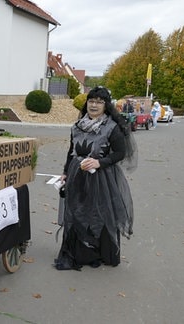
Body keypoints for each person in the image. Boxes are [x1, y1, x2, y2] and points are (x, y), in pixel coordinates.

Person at [54, 86, 136, 271]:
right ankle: (79, 253)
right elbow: (71, 151)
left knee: (98, 214)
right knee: (76, 211)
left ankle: (97, 253)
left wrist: (100, 163)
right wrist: (66, 172)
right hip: (77, 175)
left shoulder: (112, 127)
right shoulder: (77, 126)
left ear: (106, 106)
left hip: (101, 177)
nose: (94, 105)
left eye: (99, 102)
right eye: (91, 101)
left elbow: (120, 153)